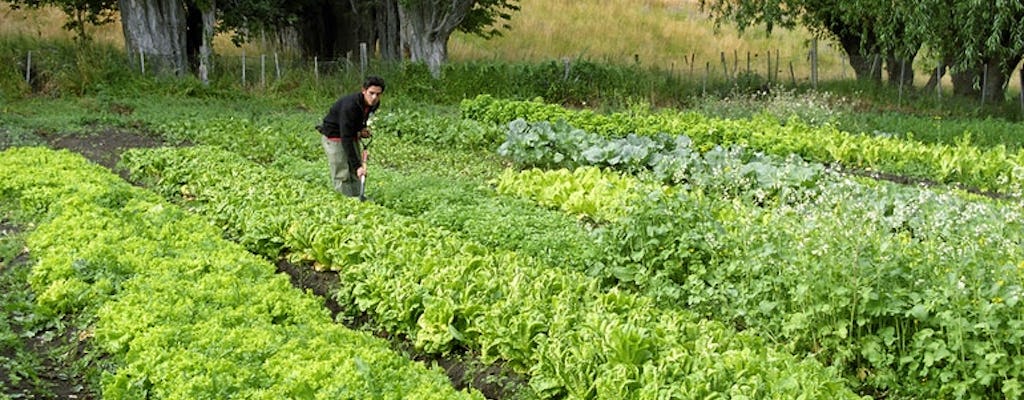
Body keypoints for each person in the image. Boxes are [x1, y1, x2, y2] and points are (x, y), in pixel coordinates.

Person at [318, 76, 385, 198]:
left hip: (350, 134)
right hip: (335, 136)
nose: (374, 97)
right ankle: (345, 204)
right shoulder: (350, 106)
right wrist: (358, 166)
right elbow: (346, 137)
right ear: (363, 90)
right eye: (371, 93)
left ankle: (358, 199)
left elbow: (360, 119)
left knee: (355, 173)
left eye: (378, 94)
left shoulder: (374, 104)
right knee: (342, 173)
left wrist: (361, 129)